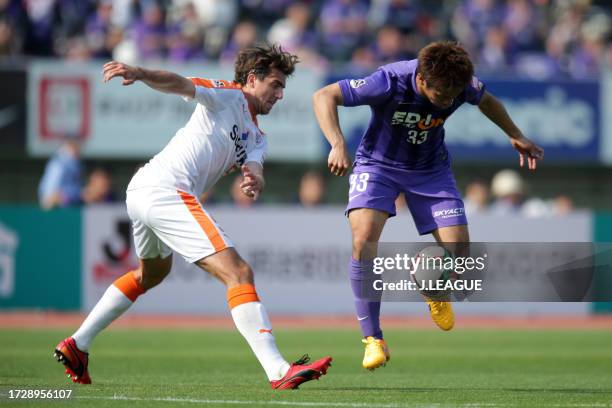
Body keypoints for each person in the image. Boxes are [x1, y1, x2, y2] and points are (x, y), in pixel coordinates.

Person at [54, 44, 332, 389]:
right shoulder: (228, 96)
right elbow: (180, 83)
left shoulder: (258, 136)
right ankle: (278, 370)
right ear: (251, 79)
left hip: (143, 191)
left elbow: (256, 165)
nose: (279, 94)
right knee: (239, 272)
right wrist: (140, 73)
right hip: (165, 190)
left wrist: (253, 179)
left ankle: (77, 344)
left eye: (282, 88)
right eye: (275, 85)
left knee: (151, 274)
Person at [312, 40, 543, 371]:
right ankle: (373, 339)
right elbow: (324, 95)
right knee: (363, 238)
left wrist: (514, 133)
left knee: (460, 251)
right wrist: (336, 143)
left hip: (430, 171)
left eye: (453, 95)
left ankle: (434, 288)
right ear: (421, 80)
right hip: (378, 165)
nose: (448, 101)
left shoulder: (458, 83)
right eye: (441, 96)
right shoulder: (389, 80)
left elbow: (487, 102)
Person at [38, 139, 82, 209]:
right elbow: (49, 190)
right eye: (73, 147)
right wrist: (50, 197)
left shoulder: (77, 164)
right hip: (57, 204)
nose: (77, 150)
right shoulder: (58, 163)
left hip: (72, 203)